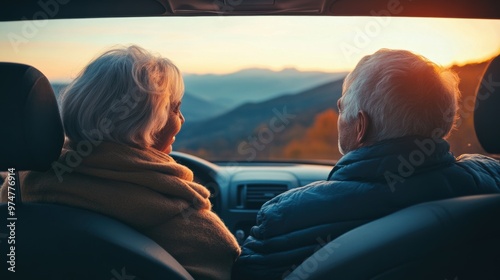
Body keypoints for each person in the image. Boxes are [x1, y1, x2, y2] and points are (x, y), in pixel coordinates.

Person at [232, 49, 500, 280]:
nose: (339, 115)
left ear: (361, 126)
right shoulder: (490, 183)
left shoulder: (284, 216)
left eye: (341, 107)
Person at [0, 45, 240, 280]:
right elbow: (231, 264)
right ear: (148, 122)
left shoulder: (18, 190)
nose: (182, 119)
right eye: (175, 108)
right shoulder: (180, 213)